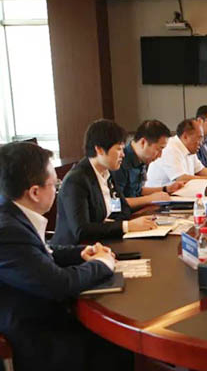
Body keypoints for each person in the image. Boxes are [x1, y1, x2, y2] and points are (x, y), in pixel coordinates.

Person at [0, 142, 133, 370]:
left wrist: (81, 253)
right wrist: (102, 263)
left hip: (43, 315)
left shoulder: (13, 214)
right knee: (118, 346)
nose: (57, 190)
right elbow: (60, 284)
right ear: (34, 192)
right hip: (37, 334)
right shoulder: (8, 231)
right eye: (55, 184)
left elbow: (42, 250)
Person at [53, 120, 157, 245]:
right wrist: (126, 226)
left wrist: (121, 223)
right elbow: (81, 230)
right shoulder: (76, 180)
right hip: (77, 250)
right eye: (119, 149)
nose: (123, 155)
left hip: (104, 242)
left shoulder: (107, 173)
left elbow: (123, 209)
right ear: (99, 150)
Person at [111, 119, 183, 209]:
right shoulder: (120, 161)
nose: (160, 155)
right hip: (126, 215)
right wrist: (150, 199)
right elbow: (115, 203)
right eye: (159, 149)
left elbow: (137, 190)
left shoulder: (141, 159)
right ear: (143, 142)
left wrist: (166, 189)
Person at [145, 118, 207, 187]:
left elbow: (200, 170)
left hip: (179, 193)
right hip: (160, 195)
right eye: (199, 138)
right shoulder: (170, 148)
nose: (201, 143)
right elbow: (182, 179)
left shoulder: (191, 149)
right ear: (185, 137)